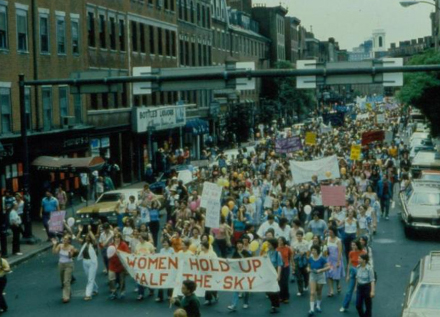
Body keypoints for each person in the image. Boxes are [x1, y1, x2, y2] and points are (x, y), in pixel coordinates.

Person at [340, 240, 366, 312]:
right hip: (353, 271)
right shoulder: (351, 253)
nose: (352, 247)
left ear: (357, 245)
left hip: (360, 271)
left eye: (354, 245)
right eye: (352, 245)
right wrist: (347, 275)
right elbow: (349, 264)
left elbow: (364, 265)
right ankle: (345, 306)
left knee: (358, 291)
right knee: (349, 291)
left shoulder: (363, 253)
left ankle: (360, 306)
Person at [52, 234, 77, 303]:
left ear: (69, 241)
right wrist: (54, 244)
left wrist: (69, 253)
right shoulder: (60, 245)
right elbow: (54, 252)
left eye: (66, 239)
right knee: (63, 281)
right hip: (61, 264)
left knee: (66, 281)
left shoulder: (71, 247)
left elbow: (70, 257)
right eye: (64, 238)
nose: (64, 240)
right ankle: (69, 291)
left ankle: (65, 297)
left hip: (69, 265)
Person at [228, 239, 252, 311]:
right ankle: (234, 304)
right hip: (238, 273)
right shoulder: (235, 253)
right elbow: (232, 262)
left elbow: (251, 261)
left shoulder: (246, 252)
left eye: (240, 243)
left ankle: (246, 302)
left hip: (245, 273)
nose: (239, 245)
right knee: (236, 289)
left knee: (246, 289)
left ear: (242, 244)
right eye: (237, 244)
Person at [76, 225, 99, 301]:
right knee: (89, 277)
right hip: (85, 261)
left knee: (90, 278)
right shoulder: (84, 244)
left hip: (92, 262)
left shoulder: (94, 244)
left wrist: (89, 231)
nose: (87, 238)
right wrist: (80, 231)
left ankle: (88, 294)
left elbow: (94, 239)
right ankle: (95, 289)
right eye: (86, 237)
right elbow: (76, 239)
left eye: (89, 237)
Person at [307, 245, 330, 316]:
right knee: (312, 292)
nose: (313, 251)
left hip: (320, 276)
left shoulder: (322, 258)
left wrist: (321, 270)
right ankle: (311, 309)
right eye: (312, 250)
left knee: (319, 292)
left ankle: (318, 305)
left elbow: (329, 267)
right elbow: (308, 266)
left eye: (314, 250)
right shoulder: (310, 258)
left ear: (318, 251)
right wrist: (308, 269)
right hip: (313, 276)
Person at [108, 233, 130, 300]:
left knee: (122, 279)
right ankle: (113, 292)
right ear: (114, 238)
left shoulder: (123, 244)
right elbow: (108, 255)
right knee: (111, 279)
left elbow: (127, 253)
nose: (117, 239)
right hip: (112, 264)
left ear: (120, 238)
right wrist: (114, 254)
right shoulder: (111, 245)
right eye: (115, 238)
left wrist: (120, 253)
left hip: (121, 265)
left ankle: (122, 292)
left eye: (118, 238)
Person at [325, 226, 344, 296]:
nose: (329, 233)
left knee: (336, 274)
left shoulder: (338, 240)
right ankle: (331, 290)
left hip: (336, 259)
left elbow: (339, 251)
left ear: (334, 232)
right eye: (328, 231)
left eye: (330, 231)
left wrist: (338, 261)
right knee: (329, 274)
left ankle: (338, 283)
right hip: (329, 260)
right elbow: (325, 249)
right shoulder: (327, 239)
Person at [266, 238, 282, 314]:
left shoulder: (277, 253)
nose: (268, 245)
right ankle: (275, 303)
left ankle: (274, 306)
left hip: (274, 271)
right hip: (268, 272)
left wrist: (278, 275)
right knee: (268, 290)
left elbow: (279, 265)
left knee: (273, 290)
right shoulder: (267, 252)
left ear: (273, 245)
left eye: (269, 244)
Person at [292, 231, 310, 296]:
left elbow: (308, 252)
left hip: (304, 259)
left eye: (300, 236)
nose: (299, 237)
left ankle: (306, 285)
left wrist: (306, 257)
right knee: (298, 276)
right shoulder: (294, 243)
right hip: (297, 260)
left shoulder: (306, 243)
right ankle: (300, 290)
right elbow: (293, 253)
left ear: (302, 236)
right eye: (298, 236)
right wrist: (293, 263)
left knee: (306, 274)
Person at [277, 236, 293, 303]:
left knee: (285, 282)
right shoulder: (276, 249)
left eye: (281, 240)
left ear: (283, 241)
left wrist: (292, 264)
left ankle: (286, 297)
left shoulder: (288, 248)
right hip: (278, 266)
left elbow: (290, 256)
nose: (280, 242)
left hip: (286, 266)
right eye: (279, 240)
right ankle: (280, 296)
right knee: (279, 282)